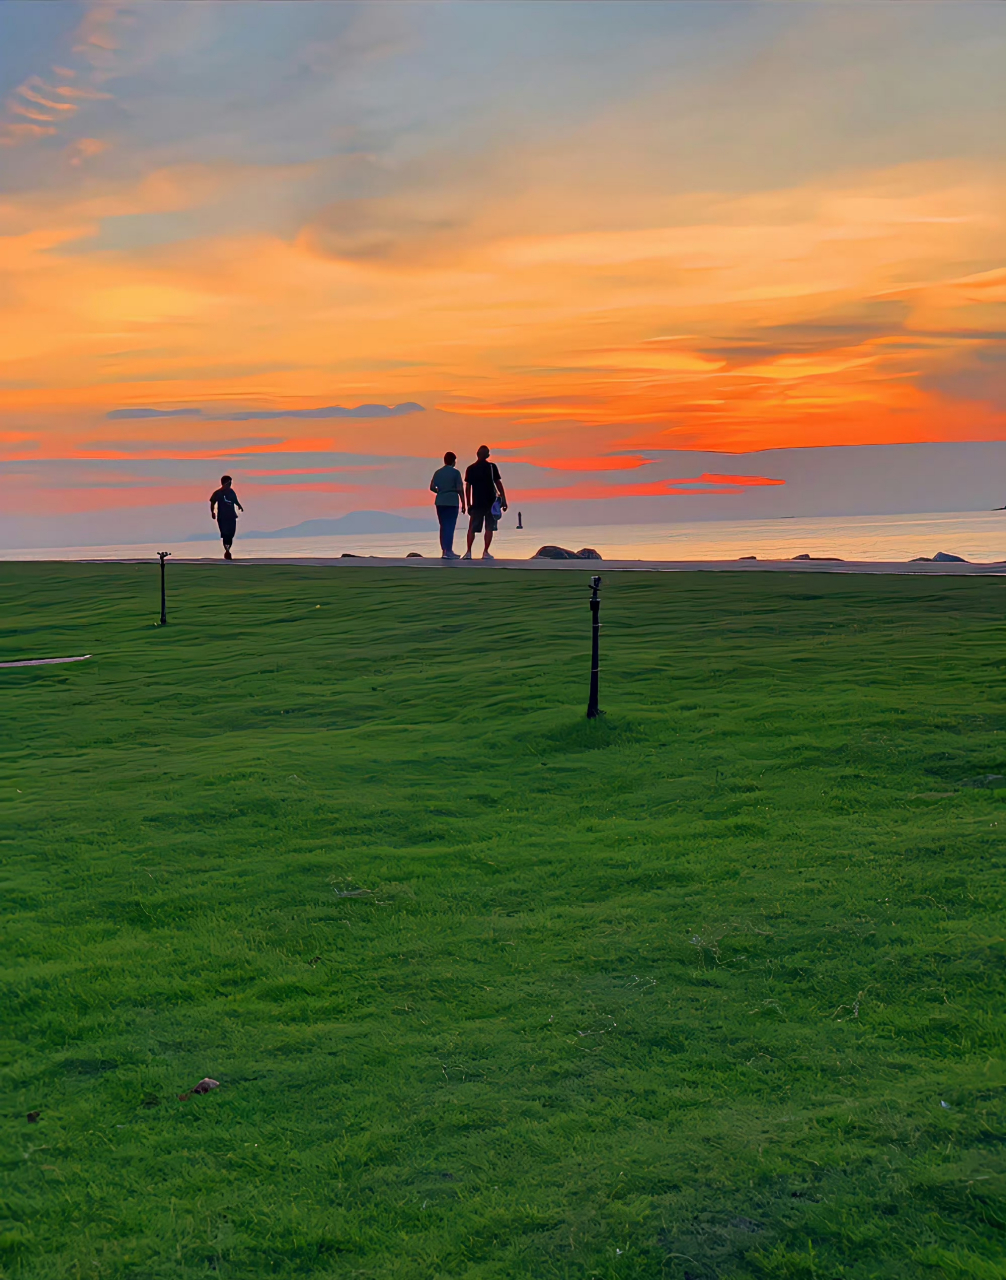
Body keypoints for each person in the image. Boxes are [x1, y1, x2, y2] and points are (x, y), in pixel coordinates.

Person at [463, 445, 507, 560]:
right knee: (489, 527)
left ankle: (469, 552)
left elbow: (468, 487)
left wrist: (468, 503)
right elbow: (498, 484)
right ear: (487, 455)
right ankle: (485, 552)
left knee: (473, 528)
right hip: (490, 502)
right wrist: (503, 499)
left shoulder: (471, 468)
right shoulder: (491, 467)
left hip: (477, 503)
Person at [429, 451, 465, 559]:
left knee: (443, 526)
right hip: (452, 501)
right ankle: (448, 550)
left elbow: (431, 487)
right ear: (453, 461)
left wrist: (440, 492)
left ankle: (444, 550)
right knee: (450, 526)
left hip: (440, 501)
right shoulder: (456, 473)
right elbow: (460, 489)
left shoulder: (438, 473)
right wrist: (464, 503)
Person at [209, 475, 244, 559]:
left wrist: (239, 506)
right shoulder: (218, 493)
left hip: (231, 516)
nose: (231, 484)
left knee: (231, 533)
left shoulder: (231, 492)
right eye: (230, 482)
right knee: (225, 534)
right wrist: (212, 512)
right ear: (226, 483)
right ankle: (227, 550)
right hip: (222, 517)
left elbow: (235, 500)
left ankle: (228, 549)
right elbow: (212, 502)